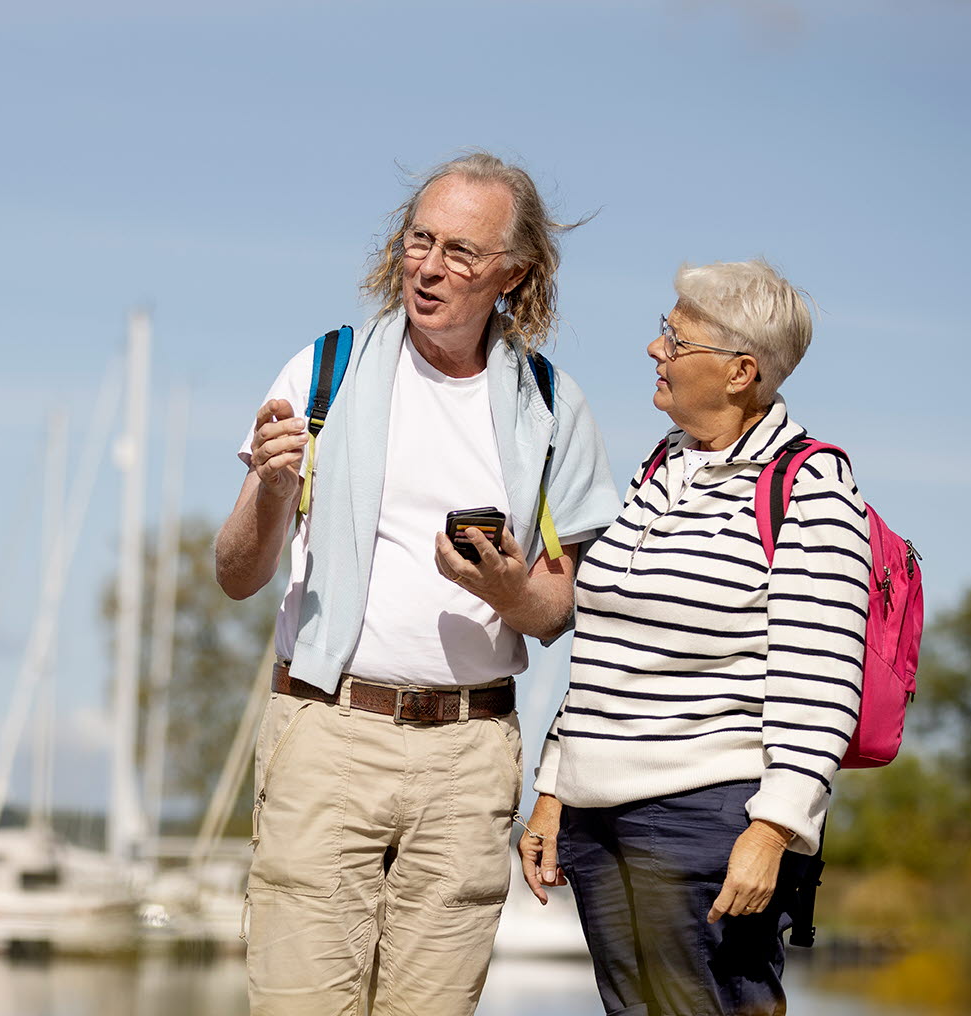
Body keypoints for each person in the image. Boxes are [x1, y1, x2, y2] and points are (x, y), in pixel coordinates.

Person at [215, 152, 621, 1016]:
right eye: (419, 241)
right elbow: (236, 575)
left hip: (470, 757)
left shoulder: (552, 406)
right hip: (328, 733)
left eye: (461, 253)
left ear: (514, 272)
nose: (430, 268)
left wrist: (510, 590)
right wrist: (272, 490)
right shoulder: (323, 368)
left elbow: (556, 611)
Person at [519, 260, 872, 1016]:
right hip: (599, 819)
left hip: (704, 822)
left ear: (741, 371)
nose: (655, 350)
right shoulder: (663, 465)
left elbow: (824, 679)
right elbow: (607, 654)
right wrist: (555, 787)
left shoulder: (809, 489)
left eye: (677, 339)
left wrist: (775, 830)